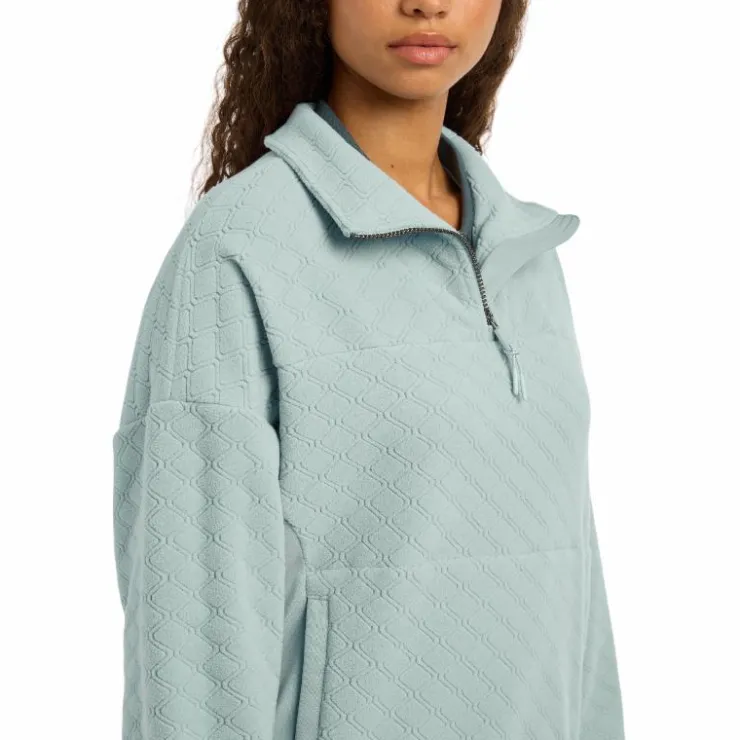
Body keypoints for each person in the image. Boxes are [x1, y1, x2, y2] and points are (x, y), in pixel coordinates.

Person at [112, 1, 625, 738]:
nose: (427, 3)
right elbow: (194, 631)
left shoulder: (524, 254)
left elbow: (577, 597)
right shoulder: (238, 251)